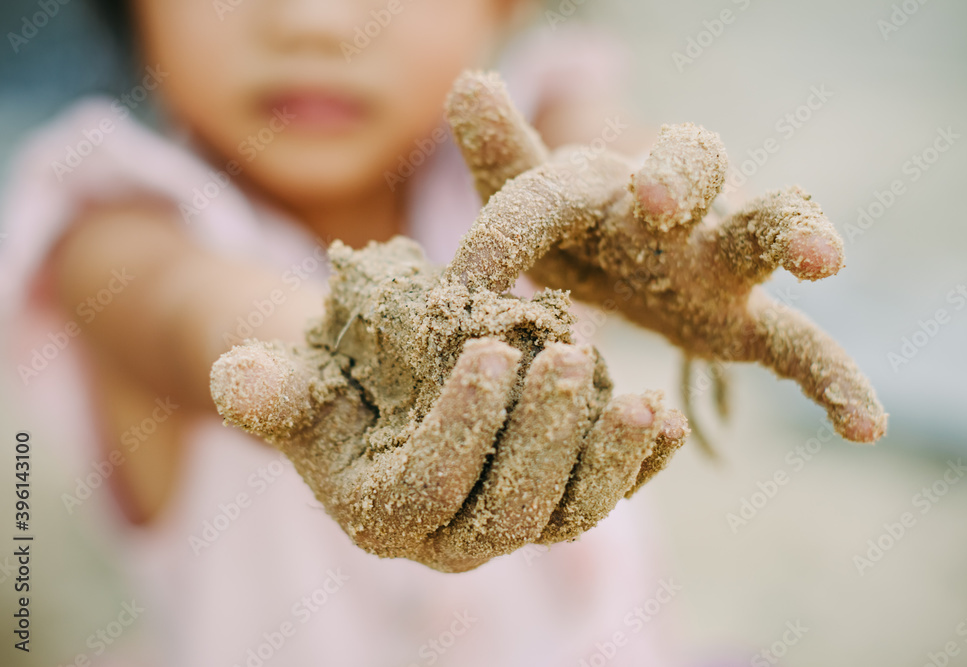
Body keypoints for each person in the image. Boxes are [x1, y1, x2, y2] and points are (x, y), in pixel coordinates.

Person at [0, 0, 883, 665]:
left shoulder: (517, 137)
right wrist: (351, 344)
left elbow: (602, 158)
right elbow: (191, 310)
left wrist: (659, 217)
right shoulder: (113, 223)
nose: (316, 21)